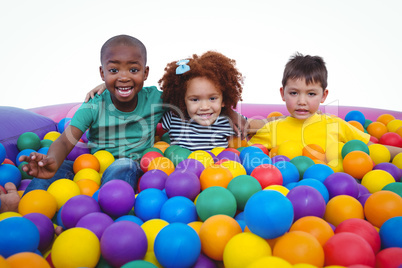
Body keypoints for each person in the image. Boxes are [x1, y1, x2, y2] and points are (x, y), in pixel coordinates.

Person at [20, 34, 166, 194]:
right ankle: (27, 209)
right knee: (53, 170)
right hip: (92, 166)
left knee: (124, 164)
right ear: (102, 74)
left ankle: (106, 208)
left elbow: (187, 95)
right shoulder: (94, 104)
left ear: (145, 73)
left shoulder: (154, 99)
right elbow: (64, 141)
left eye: (133, 70)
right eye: (114, 70)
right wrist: (52, 161)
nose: (124, 77)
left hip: (134, 165)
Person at [248, 52, 402, 160]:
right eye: (294, 93)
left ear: (324, 96)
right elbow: (243, 153)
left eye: (311, 94)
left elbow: (373, 149)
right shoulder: (271, 129)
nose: (302, 101)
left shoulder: (336, 125)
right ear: (283, 93)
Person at [158, 51, 246, 151]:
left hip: (217, 166)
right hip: (181, 166)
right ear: (183, 101)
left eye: (212, 98)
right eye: (195, 99)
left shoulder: (226, 121)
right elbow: (146, 116)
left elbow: (256, 124)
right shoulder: (174, 118)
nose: (204, 107)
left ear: (224, 100)